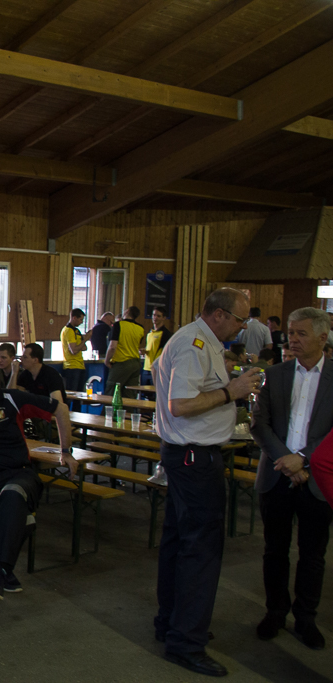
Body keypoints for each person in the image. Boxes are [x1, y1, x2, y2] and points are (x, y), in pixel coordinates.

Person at [153, 287, 261, 677]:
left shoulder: (201, 342)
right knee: (201, 551)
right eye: (240, 319)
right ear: (218, 314)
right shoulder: (194, 344)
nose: (243, 326)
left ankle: (173, 622)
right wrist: (230, 392)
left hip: (186, 456)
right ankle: (187, 642)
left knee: (179, 542)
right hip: (194, 458)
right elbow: (180, 405)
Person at [0, 361, 77, 597]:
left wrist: (66, 452)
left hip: (21, 475)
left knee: (13, 493)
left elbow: (60, 409)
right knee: (21, 518)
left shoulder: (13, 399)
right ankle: (5, 571)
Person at [249, 307, 333, 651]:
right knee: (274, 550)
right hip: (276, 474)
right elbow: (259, 424)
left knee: (313, 555)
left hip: (318, 478)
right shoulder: (275, 374)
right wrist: (287, 461)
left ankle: (306, 617)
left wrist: (304, 459)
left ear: (323, 338)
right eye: (290, 333)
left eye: (301, 334)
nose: (292, 340)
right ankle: (275, 611)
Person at [105, 306, 146, 398]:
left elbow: (112, 347)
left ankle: (108, 408)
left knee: (111, 392)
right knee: (130, 394)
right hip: (135, 363)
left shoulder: (118, 325)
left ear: (127, 311)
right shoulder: (140, 328)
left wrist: (107, 360)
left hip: (121, 362)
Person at [142, 306, 173, 385]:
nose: (155, 318)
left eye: (158, 316)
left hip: (157, 369)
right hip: (146, 368)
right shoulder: (150, 332)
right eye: (154, 315)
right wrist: (144, 351)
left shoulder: (165, 334)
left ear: (164, 318)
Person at [60, 309, 87, 392]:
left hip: (80, 365)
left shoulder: (76, 331)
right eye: (80, 319)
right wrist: (85, 339)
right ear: (74, 318)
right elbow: (74, 350)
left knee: (80, 395)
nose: (82, 322)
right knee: (72, 393)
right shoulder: (68, 331)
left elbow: (84, 348)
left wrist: (80, 344)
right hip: (71, 367)